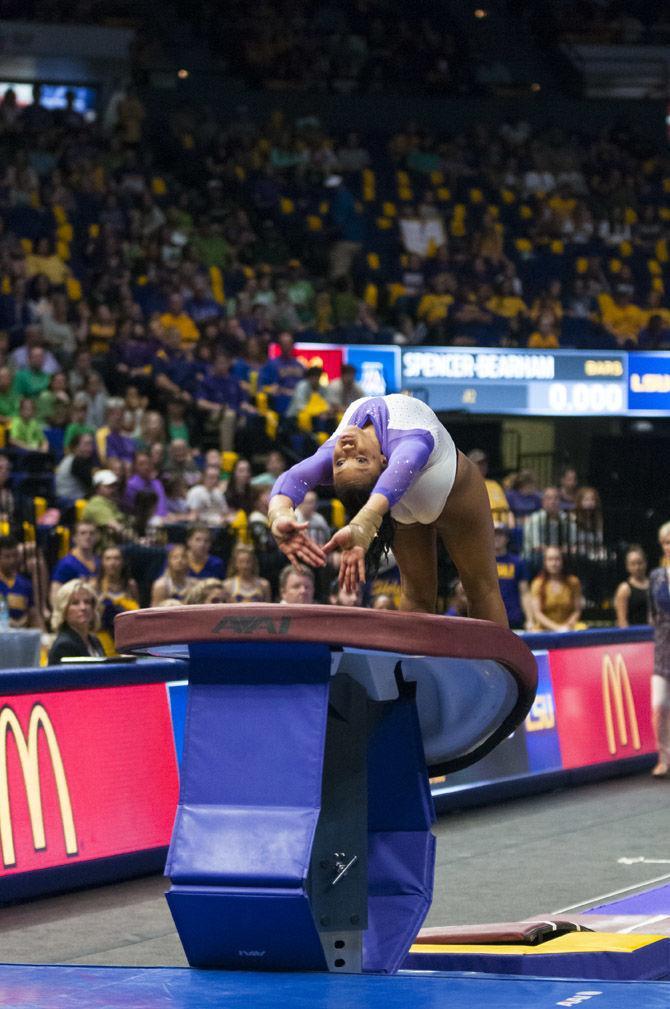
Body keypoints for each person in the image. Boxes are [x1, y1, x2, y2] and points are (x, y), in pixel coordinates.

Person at [269, 394, 507, 624]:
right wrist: (364, 522)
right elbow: (402, 468)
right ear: (384, 460)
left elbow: (293, 477)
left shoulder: (334, 451)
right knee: (480, 590)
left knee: (441, 593)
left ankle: (436, 665)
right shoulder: (409, 442)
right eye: (361, 460)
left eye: (340, 463)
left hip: (408, 499)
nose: (347, 450)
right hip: (453, 493)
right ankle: (480, 664)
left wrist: (278, 516)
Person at [648, 522, 670, 777]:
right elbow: (652, 614)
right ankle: (664, 758)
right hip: (663, 646)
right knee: (660, 704)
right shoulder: (656, 576)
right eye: (666, 542)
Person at [48, 579, 105, 664]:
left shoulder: (94, 641)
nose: (83, 607)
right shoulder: (64, 645)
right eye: (75, 603)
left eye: (87, 602)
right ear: (64, 610)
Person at [96, 546, 140, 654]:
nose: (112, 563)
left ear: (123, 562)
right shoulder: (95, 585)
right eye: (108, 558)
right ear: (102, 562)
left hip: (128, 636)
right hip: (102, 637)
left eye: (116, 558)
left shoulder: (131, 585)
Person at [529, 546, 584, 633]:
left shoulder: (573, 582)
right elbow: (537, 613)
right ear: (545, 562)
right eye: (550, 559)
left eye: (557, 559)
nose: (554, 563)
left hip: (569, 629)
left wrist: (567, 626)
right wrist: (557, 628)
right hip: (544, 630)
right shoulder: (537, 584)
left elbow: (577, 610)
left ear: (563, 561)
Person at [50, 520, 100, 605]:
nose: (88, 536)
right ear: (74, 538)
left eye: (91, 533)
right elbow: (55, 595)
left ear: (97, 537)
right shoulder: (66, 563)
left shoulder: (100, 561)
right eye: (83, 533)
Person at [494, 524, 533, 630]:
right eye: (493, 534)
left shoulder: (517, 562)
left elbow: (525, 592)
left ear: (507, 538)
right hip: (490, 617)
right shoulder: (483, 562)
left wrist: (530, 620)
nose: (496, 537)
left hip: (513, 618)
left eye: (500, 534)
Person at [0, 534, 38, 628]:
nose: (12, 560)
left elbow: (33, 614)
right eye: (7, 557)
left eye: (15, 556)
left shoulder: (25, 584)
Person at [614, 545, 649, 628]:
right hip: (635, 635)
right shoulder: (624, 589)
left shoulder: (654, 585)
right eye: (633, 564)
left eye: (640, 563)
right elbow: (622, 620)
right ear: (627, 567)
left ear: (645, 563)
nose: (637, 567)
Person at [81, 469, 127, 534]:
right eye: (109, 486)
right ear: (97, 488)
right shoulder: (96, 504)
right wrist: (138, 540)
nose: (113, 489)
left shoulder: (109, 501)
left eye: (114, 486)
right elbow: (116, 527)